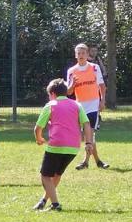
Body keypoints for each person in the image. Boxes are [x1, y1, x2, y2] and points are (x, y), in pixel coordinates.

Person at [34, 78, 92, 211]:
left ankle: (55, 204)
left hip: (56, 146)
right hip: (73, 148)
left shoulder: (50, 105)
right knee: (56, 175)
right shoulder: (77, 105)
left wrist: (39, 139)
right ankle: (44, 201)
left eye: (49, 95)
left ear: (53, 94)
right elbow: (87, 124)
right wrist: (88, 142)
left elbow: (37, 128)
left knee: (45, 176)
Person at [66, 43, 110, 170]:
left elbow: (102, 85)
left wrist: (102, 101)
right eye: (78, 53)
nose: (81, 55)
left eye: (83, 53)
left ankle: (86, 161)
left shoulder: (94, 68)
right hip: (79, 107)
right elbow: (68, 92)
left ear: (87, 55)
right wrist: (72, 85)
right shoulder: (71, 71)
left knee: (89, 133)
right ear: (75, 55)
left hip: (93, 106)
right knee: (88, 136)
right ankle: (97, 161)